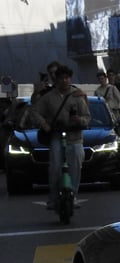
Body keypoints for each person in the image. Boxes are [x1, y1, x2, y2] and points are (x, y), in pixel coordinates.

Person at [28, 64, 90, 211]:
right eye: (61, 78)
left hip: (75, 137)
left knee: (75, 167)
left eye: (67, 78)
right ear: (57, 79)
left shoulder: (77, 95)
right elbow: (34, 111)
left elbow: (87, 117)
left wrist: (79, 120)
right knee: (55, 167)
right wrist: (44, 124)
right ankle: (53, 198)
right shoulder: (48, 96)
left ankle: (73, 196)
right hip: (56, 137)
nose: (64, 81)